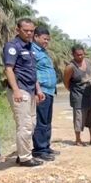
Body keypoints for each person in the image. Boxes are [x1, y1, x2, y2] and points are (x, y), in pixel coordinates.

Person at [3, 18, 45, 167]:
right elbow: (8, 69)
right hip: (20, 89)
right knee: (24, 124)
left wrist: (38, 89)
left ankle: (22, 154)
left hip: (30, 90)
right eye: (26, 30)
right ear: (17, 30)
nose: (29, 33)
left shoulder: (30, 47)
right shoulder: (12, 46)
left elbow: (31, 71)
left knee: (31, 123)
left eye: (32, 31)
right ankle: (25, 158)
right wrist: (16, 91)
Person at [63, 44, 91, 146]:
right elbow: (66, 83)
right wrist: (74, 92)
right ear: (73, 55)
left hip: (90, 94)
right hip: (78, 96)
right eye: (78, 55)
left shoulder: (89, 62)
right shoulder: (70, 67)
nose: (80, 57)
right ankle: (78, 139)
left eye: (82, 54)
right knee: (79, 118)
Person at [31, 26, 58, 161]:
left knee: (47, 121)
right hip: (41, 91)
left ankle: (46, 146)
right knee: (41, 121)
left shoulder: (43, 52)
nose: (47, 41)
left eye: (48, 39)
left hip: (49, 91)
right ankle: (39, 150)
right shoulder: (31, 51)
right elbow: (32, 72)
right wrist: (37, 91)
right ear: (36, 37)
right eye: (44, 39)